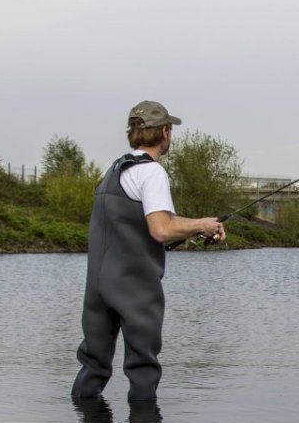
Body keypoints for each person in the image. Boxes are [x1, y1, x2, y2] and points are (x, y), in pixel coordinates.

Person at [72, 101, 225, 401]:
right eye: (170, 130)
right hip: (135, 288)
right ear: (165, 132)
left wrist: (199, 225)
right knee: (143, 370)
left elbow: (147, 225)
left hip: (98, 288)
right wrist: (201, 225)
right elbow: (161, 229)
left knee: (94, 366)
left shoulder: (114, 171)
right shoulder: (151, 173)